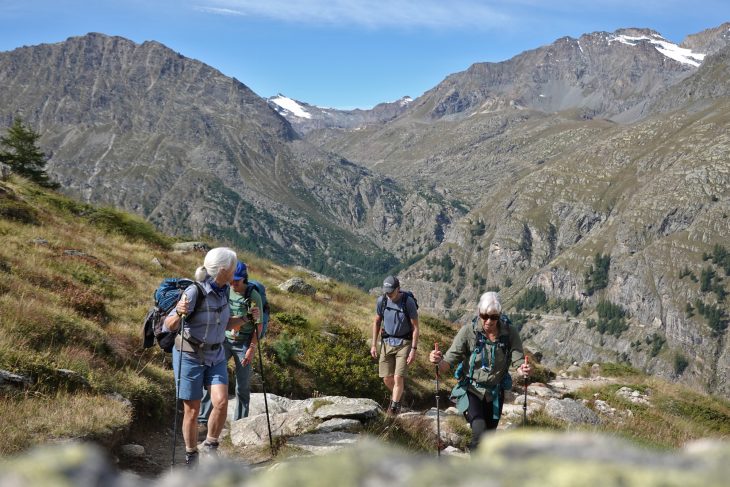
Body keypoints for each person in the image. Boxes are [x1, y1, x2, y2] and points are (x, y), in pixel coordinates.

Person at [429, 291, 531, 451]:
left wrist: (522, 369)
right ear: (478, 313)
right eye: (484, 316)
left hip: (495, 392)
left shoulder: (510, 333)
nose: (489, 321)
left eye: (494, 317)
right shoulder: (468, 332)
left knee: (489, 436)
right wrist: (437, 360)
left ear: (500, 315)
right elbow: (447, 363)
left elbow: (518, 361)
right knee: (479, 428)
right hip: (471, 389)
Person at [163, 247, 237, 468]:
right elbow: (169, 325)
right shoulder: (194, 292)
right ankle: (191, 454)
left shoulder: (225, 291)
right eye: (233, 266)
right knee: (192, 410)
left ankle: (210, 447)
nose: (236, 270)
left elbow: (224, 323)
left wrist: (246, 319)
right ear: (223, 269)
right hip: (190, 354)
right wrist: (178, 312)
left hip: (216, 354)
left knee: (222, 402)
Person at [197, 261, 262, 433]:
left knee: (242, 385)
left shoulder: (253, 295)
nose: (234, 284)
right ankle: (202, 420)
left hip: (243, 344)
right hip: (223, 341)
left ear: (244, 279)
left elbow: (258, 325)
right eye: (232, 280)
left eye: (238, 281)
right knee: (212, 379)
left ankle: (240, 424)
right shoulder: (225, 290)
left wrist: (251, 348)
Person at [370, 275, 419, 415]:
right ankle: (398, 394)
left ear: (398, 289)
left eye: (391, 291)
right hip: (387, 342)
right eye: (386, 291)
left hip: (404, 343)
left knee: (398, 377)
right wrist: (374, 345)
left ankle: (393, 409)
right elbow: (377, 322)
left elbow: (415, 327)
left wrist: (413, 350)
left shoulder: (407, 302)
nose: (389, 294)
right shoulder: (382, 301)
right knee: (386, 377)